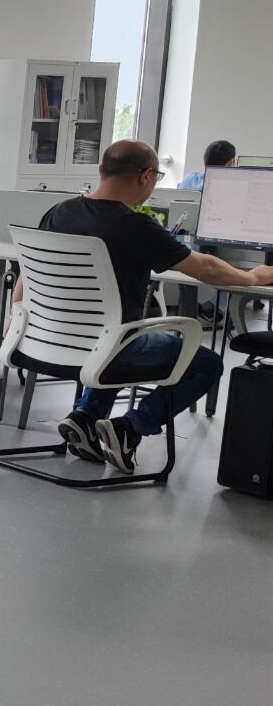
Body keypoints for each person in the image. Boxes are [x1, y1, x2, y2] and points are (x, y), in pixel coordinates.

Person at [34, 139, 272, 473]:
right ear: (145, 176)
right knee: (205, 364)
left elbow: (26, 277)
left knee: (119, 335)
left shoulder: (58, 212)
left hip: (51, 341)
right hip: (110, 347)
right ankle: (130, 428)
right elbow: (205, 269)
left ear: (102, 170)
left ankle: (85, 417)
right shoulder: (133, 225)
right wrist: (253, 277)